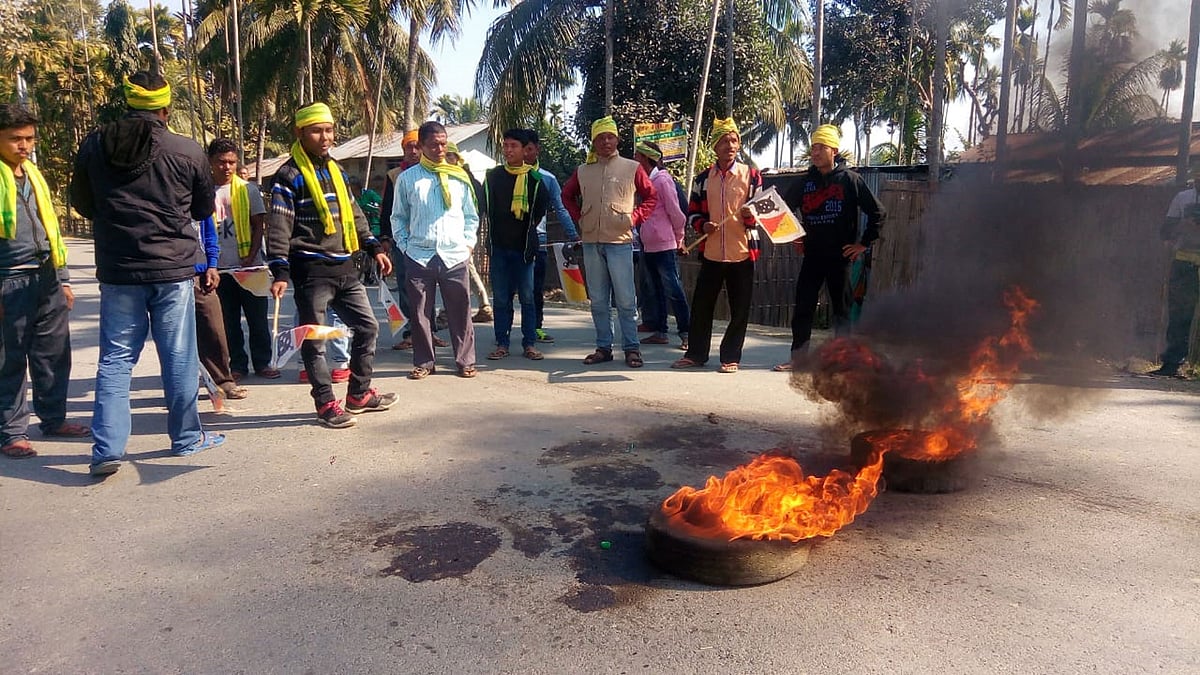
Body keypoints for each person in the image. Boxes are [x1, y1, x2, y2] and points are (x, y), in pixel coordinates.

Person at [69, 71, 224, 476]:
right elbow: (203, 208)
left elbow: (82, 204)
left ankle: (106, 448)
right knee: (178, 356)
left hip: (119, 270)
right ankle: (186, 437)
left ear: (128, 103)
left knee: (116, 359)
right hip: (172, 268)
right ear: (165, 108)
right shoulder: (186, 149)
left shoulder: (94, 145)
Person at [267, 102, 396, 428]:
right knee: (316, 339)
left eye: (329, 130)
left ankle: (358, 395)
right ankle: (325, 403)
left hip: (345, 268)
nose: (325, 137)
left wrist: (373, 246)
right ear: (300, 133)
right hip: (311, 270)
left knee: (368, 327)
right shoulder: (289, 175)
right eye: (316, 130)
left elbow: (353, 214)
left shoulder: (337, 170)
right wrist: (280, 270)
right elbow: (280, 225)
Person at [0, 104, 90, 459]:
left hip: (47, 277)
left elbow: (51, 229)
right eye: (15, 139)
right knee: (9, 360)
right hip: (8, 279)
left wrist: (64, 279)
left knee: (53, 355)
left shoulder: (34, 176)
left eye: (29, 138)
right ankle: (11, 432)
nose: (24, 145)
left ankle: (54, 419)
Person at [775, 123, 885, 372]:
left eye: (820, 147)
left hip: (840, 257)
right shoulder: (804, 182)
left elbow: (878, 212)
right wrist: (793, 233)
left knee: (842, 310)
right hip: (812, 256)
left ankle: (843, 361)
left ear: (833, 150)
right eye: (812, 147)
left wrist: (863, 244)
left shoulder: (850, 180)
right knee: (803, 306)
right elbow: (781, 209)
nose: (814, 153)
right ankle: (799, 359)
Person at [561, 116, 657, 368]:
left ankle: (631, 348)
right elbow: (566, 195)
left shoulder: (631, 167)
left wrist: (634, 218)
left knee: (626, 299)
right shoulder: (583, 170)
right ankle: (603, 347)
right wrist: (580, 217)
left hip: (620, 241)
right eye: (600, 137)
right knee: (599, 300)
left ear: (617, 139)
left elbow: (650, 196)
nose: (605, 141)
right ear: (593, 141)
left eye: (610, 137)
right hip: (592, 241)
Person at [670, 118, 762, 374]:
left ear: (738, 144)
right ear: (715, 146)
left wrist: (747, 216)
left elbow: (760, 212)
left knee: (740, 308)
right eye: (723, 141)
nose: (729, 146)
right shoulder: (702, 179)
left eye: (733, 140)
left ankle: (731, 357)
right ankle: (696, 354)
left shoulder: (752, 176)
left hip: (742, 252)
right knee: (702, 306)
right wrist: (703, 226)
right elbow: (692, 214)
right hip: (711, 253)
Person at [391, 120, 480, 380]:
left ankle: (465, 360)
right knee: (420, 314)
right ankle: (424, 362)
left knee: (460, 311)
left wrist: (468, 244)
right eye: (434, 145)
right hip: (419, 255)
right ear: (420, 147)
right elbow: (398, 217)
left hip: (455, 255)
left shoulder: (459, 177)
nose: (440, 149)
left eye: (443, 143)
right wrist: (405, 246)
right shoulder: (407, 179)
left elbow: (471, 216)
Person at [208, 138, 279, 381]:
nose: (226, 167)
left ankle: (263, 363)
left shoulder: (248, 189)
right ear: (211, 162)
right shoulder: (204, 191)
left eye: (231, 162)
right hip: (219, 268)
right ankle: (237, 365)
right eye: (221, 162)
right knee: (228, 321)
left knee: (258, 319)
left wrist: (250, 255)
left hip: (251, 267)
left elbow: (259, 225)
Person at [482, 129, 549, 361]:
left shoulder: (535, 180)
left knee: (528, 298)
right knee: (501, 298)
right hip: (498, 248)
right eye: (506, 145)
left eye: (514, 146)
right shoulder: (492, 177)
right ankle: (502, 343)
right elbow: (484, 208)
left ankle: (529, 343)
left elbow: (539, 213)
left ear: (524, 150)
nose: (509, 150)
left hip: (524, 250)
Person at [379, 130, 448, 350]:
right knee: (406, 285)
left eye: (417, 146)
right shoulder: (395, 175)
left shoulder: (439, 172)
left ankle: (431, 332)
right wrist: (386, 238)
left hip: (431, 240)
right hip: (405, 241)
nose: (414, 151)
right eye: (409, 147)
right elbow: (388, 209)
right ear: (403, 150)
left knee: (430, 288)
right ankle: (411, 332)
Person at [521, 129, 579, 343]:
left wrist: (573, 234)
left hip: (539, 240)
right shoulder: (504, 176)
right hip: (512, 241)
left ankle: (536, 328)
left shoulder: (548, 179)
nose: (525, 154)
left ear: (537, 150)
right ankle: (504, 333)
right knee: (508, 289)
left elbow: (560, 208)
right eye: (521, 149)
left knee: (535, 288)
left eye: (529, 149)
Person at [633, 140, 690, 350]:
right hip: (648, 245)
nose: (634, 160)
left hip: (665, 244)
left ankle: (686, 333)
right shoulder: (644, 181)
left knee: (673, 289)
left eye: (637, 156)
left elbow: (676, 212)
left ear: (647, 158)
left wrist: (679, 238)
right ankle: (660, 331)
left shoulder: (663, 181)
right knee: (655, 290)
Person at [1152, 164, 1200, 378]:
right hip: (1184, 265)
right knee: (1180, 316)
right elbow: (1165, 233)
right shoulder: (1182, 199)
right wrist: (1184, 224)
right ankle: (1172, 364)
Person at [193, 213, 247, 402]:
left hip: (199, 273)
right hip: (170, 273)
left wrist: (212, 265)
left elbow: (209, 232)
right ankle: (179, 390)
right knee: (174, 337)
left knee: (214, 326)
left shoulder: (197, 195)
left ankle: (223, 381)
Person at [446, 141, 494, 324]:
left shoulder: (464, 178)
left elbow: (478, 206)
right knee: (463, 268)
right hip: (451, 232)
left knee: (456, 269)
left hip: (462, 231)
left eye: (451, 156)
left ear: (457, 158)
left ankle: (448, 313)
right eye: (446, 156)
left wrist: (469, 233)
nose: (447, 159)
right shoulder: (446, 176)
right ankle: (483, 305)